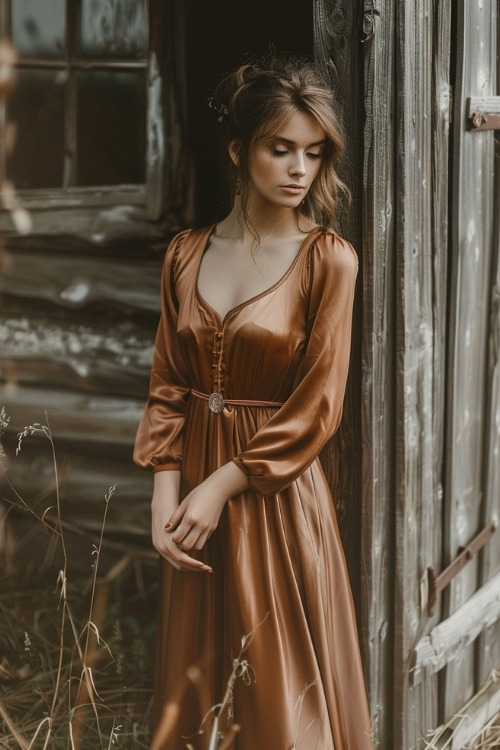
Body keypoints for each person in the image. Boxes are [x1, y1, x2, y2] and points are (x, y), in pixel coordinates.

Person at [134, 55, 373, 750]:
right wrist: (166, 494)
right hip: (195, 496)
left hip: (274, 493)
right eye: (281, 148)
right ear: (240, 150)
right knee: (203, 681)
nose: (300, 168)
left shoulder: (330, 260)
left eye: (313, 152)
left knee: (279, 686)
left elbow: (316, 408)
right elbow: (170, 384)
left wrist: (218, 486)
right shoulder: (185, 254)